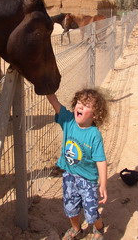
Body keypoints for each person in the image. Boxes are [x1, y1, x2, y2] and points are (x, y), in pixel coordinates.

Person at [46, 88, 108, 240]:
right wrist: (46, 86)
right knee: (70, 209)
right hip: (69, 176)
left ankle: (99, 229)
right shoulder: (68, 122)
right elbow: (54, 101)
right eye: (78, 103)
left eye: (86, 105)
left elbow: (101, 161)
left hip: (88, 181)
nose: (80, 106)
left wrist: (103, 184)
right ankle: (76, 229)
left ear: (95, 113)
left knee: (91, 213)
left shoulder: (94, 135)